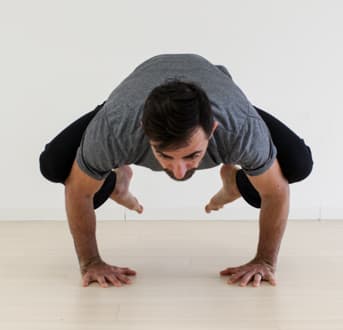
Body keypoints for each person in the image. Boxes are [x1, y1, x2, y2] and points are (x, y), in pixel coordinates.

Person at [39, 53, 313, 288]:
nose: (179, 172)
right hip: (134, 93)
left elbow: (276, 193)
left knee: (298, 165)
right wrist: (91, 262)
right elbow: (78, 192)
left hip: (224, 98)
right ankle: (117, 178)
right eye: (165, 156)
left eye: (192, 155)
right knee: (55, 166)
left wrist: (265, 261)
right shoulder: (114, 129)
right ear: (144, 132)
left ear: (214, 130)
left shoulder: (240, 127)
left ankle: (235, 182)